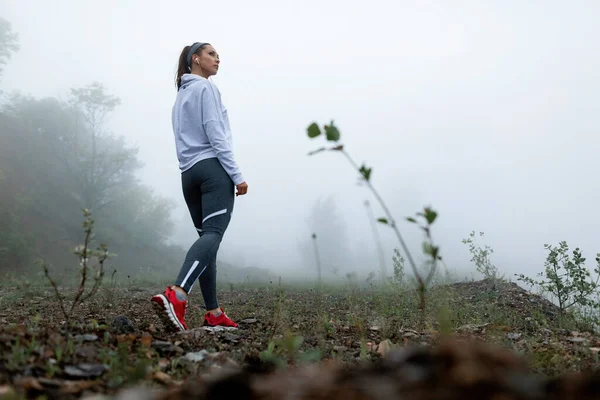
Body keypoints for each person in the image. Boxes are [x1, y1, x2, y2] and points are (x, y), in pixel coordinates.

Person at [151, 42, 248, 331]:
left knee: (208, 243)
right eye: (211, 54)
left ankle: (214, 312)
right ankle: (178, 294)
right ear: (195, 59)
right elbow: (216, 135)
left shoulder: (180, 96)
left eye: (217, 55)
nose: (217, 58)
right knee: (213, 235)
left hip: (189, 175)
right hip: (212, 171)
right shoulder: (205, 88)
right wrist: (237, 175)